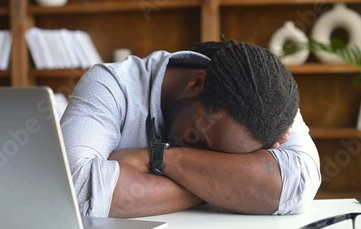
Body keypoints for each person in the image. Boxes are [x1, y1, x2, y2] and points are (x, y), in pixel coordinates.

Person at [60, 39, 321, 218]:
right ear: (197, 83)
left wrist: (160, 159)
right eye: (201, 140)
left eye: (225, 159)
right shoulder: (112, 85)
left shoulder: (269, 104)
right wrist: (231, 187)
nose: (205, 158)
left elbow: (299, 185)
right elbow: (74, 192)